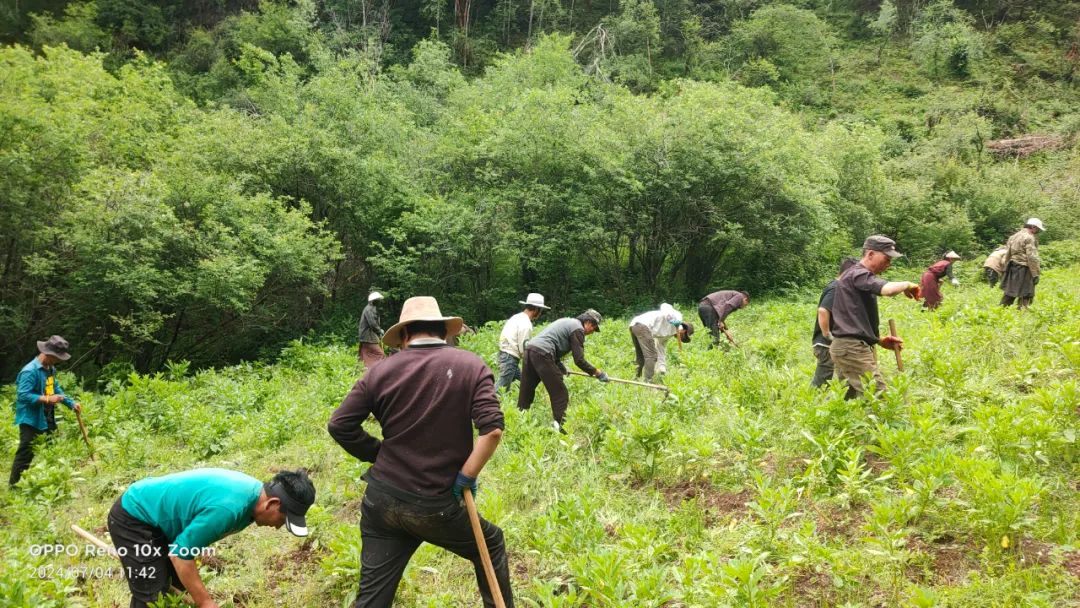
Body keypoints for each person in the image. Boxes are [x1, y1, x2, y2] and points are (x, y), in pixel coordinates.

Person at [328, 296, 513, 608]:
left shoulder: (380, 371)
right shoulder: (470, 365)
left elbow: (340, 425)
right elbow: (492, 429)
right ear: (443, 331)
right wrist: (467, 476)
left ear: (403, 335)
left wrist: (379, 453)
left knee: (372, 598)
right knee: (490, 544)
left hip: (381, 502)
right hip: (433, 503)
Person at [107, 468, 315, 608]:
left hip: (162, 523)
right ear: (272, 504)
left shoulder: (253, 500)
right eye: (283, 520)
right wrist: (206, 602)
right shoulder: (229, 508)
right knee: (152, 596)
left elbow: (184, 548)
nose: (278, 527)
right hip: (135, 517)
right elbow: (181, 555)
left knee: (176, 589)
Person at [829, 236, 922, 399]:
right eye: (886, 259)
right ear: (870, 254)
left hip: (847, 347)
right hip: (851, 349)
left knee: (849, 400)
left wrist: (878, 340)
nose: (889, 264)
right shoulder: (858, 274)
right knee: (879, 397)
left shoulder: (855, 277)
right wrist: (907, 284)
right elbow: (887, 290)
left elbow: (852, 319)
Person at [9, 335, 83, 487]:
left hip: (47, 415)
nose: (59, 361)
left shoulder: (50, 368)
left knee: (51, 447)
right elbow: (23, 396)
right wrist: (48, 399)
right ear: (48, 354)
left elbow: (55, 388)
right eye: (57, 357)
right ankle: (14, 487)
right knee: (25, 453)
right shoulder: (29, 371)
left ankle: (52, 482)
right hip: (31, 418)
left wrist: (71, 403)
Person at [517, 310, 607, 434]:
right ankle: (562, 428)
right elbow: (579, 360)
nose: (592, 331)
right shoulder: (578, 329)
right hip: (543, 353)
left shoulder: (567, 321)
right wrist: (597, 373)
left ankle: (519, 420)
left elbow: (553, 344)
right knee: (560, 393)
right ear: (587, 322)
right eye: (593, 327)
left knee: (526, 388)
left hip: (531, 349)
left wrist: (561, 368)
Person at [811, 258, 858, 388]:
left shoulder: (836, 285)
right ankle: (813, 404)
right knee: (822, 380)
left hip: (829, 343)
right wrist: (827, 335)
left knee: (841, 374)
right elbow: (822, 310)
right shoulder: (837, 287)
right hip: (825, 344)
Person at [495, 293, 549, 391]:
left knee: (525, 380)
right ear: (536, 309)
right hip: (510, 359)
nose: (540, 313)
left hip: (505, 355)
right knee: (500, 390)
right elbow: (524, 350)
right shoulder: (526, 324)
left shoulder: (517, 317)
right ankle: (486, 403)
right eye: (540, 310)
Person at [628, 303, 690, 383]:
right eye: (684, 337)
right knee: (651, 356)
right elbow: (665, 305)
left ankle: (636, 378)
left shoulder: (668, 335)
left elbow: (661, 349)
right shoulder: (678, 317)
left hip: (636, 326)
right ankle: (648, 382)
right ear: (684, 331)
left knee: (641, 356)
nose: (682, 339)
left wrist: (662, 369)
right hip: (642, 325)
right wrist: (671, 318)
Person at [1001, 218, 1044, 309]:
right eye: (1037, 229)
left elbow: (1007, 252)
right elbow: (1032, 257)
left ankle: (1000, 310)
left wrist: (1005, 266)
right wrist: (1035, 273)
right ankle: (1022, 313)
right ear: (1033, 227)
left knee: (1010, 291)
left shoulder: (1014, 236)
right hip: (1025, 268)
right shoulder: (1029, 237)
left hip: (1012, 266)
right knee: (1027, 292)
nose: (1038, 231)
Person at [359, 292, 386, 368]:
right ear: (373, 300)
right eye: (378, 300)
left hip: (365, 337)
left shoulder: (370, 308)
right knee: (380, 354)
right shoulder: (369, 309)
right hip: (368, 337)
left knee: (364, 356)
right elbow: (373, 324)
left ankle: (365, 370)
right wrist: (379, 330)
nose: (379, 301)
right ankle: (376, 370)